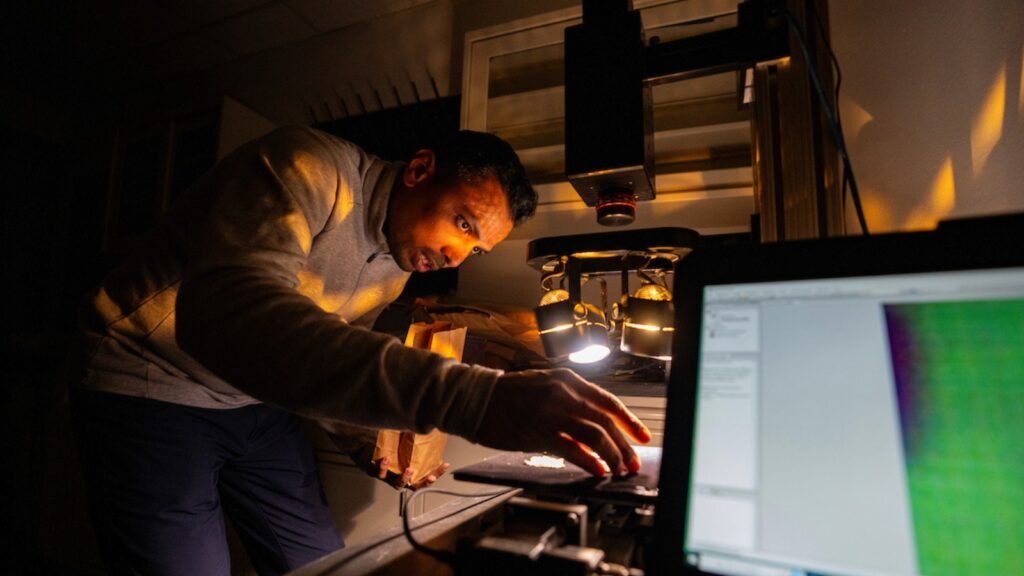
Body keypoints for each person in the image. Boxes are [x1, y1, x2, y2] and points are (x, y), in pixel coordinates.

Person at [71, 126, 651, 575]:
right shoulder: (307, 167)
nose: (455, 255)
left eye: (473, 249)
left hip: (253, 405)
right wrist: (474, 398)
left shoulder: (396, 267)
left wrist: (363, 440)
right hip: (151, 384)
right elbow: (226, 315)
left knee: (328, 563)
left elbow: (315, 353)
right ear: (420, 169)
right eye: (462, 222)